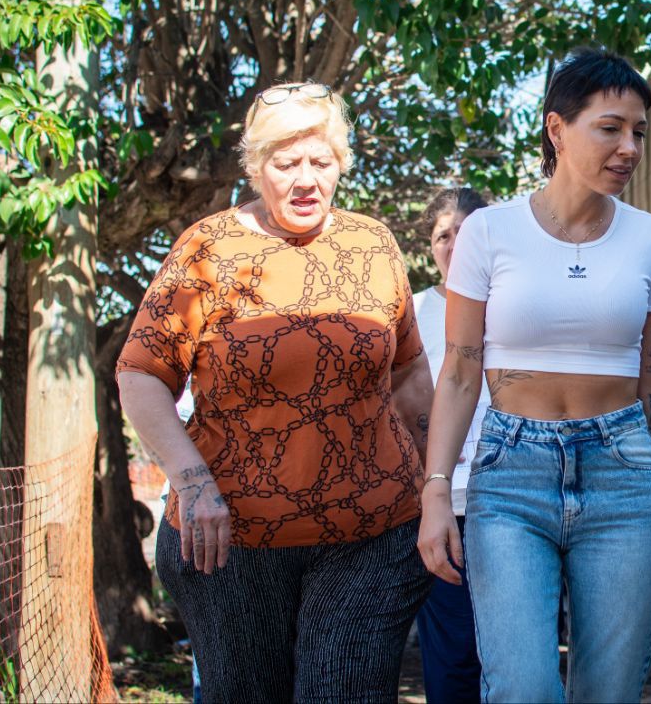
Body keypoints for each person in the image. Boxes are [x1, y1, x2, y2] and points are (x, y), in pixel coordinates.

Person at [417, 47, 651, 703]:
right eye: (610, 128)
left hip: (622, 472)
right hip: (510, 472)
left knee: (609, 691)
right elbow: (462, 373)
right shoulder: (489, 233)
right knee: (522, 686)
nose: (630, 147)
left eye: (638, 131)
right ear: (558, 129)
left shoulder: (650, 239)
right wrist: (437, 489)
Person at [116, 82, 436, 703]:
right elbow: (141, 374)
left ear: (341, 163)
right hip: (228, 538)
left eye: (321, 162)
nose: (305, 180)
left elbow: (409, 377)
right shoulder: (207, 248)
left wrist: (436, 487)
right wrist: (191, 481)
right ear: (255, 167)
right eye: (286, 164)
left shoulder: (374, 245)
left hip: (372, 533)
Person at [413, 187, 490, 703]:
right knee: (454, 652)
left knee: (511, 653)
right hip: (446, 505)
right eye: (444, 234)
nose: (454, 241)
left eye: (466, 229)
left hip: (511, 497)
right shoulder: (412, 313)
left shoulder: (511, 304)